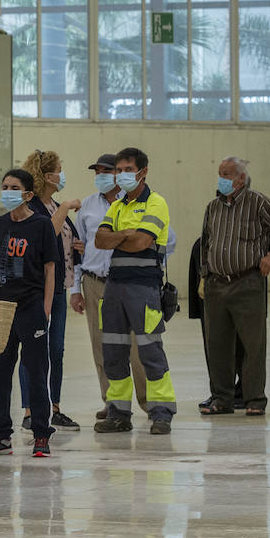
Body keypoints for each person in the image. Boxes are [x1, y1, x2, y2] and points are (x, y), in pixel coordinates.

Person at [198, 157, 270, 416]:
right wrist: (205, 275)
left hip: (248, 282)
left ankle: (254, 399)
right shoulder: (212, 207)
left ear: (241, 178)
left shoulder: (257, 202)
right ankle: (221, 398)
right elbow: (206, 243)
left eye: (227, 174)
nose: (222, 179)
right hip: (217, 284)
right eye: (220, 173)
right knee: (217, 344)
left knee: (253, 344)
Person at [93, 147, 176, 435]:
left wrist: (121, 237)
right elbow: (100, 240)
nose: (121, 175)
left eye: (127, 169)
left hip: (144, 288)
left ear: (143, 171)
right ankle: (118, 413)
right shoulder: (116, 206)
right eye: (119, 169)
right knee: (113, 352)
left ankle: (161, 411)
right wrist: (124, 236)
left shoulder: (156, 203)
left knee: (150, 352)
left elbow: (142, 242)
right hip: (114, 287)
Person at [0, 169, 61, 457]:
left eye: (14, 187)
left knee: (35, 370)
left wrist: (45, 308)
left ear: (28, 194)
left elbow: (50, 268)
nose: (7, 191)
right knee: (1, 374)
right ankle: (1, 433)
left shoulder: (42, 226)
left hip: (30, 307)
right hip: (1, 308)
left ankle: (41, 432)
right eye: (4, 186)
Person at [13, 149, 81, 439]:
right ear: (47, 175)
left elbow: (63, 241)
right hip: (38, 289)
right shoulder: (38, 208)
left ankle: (54, 405)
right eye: (58, 169)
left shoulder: (54, 204)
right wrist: (65, 207)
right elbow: (44, 235)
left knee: (57, 350)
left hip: (61, 286)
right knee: (33, 349)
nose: (61, 174)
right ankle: (30, 409)